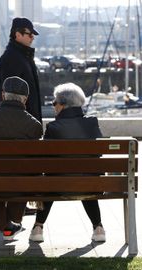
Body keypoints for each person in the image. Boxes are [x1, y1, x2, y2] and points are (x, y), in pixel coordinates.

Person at [29, 82, 106, 243]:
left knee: (50, 180)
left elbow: (45, 159)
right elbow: (98, 153)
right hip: (91, 185)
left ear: (63, 105)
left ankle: (38, 227)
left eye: (54, 102)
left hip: (58, 186)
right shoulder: (92, 123)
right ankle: (98, 228)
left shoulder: (53, 127)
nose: (53, 106)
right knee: (86, 176)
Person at [0, 76, 43, 241]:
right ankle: (11, 222)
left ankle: (4, 225)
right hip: (20, 185)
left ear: (3, 95)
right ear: (25, 98)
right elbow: (36, 162)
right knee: (21, 177)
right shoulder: (33, 125)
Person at [0, 17, 42, 124]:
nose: (32, 38)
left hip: (28, 122)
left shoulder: (23, 56)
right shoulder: (11, 58)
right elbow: (10, 96)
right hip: (20, 125)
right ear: (18, 35)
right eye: (30, 34)